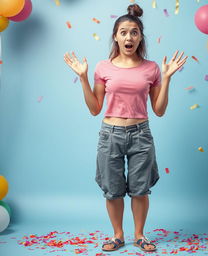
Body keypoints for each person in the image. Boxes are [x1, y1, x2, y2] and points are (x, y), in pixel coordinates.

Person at [64, 3, 187, 252]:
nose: (128, 37)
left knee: (140, 190)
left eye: (133, 32)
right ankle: (118, 235)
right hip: (110, 134)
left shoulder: (151, 68)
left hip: (141, 134)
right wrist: (83, 78)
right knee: (113, 191)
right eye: (123, 32)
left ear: (140, 37)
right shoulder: (103, 67)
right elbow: (95, 108)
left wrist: (168, 78)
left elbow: (160, 110)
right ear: (115, 36)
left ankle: (140, 235)